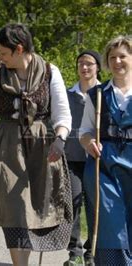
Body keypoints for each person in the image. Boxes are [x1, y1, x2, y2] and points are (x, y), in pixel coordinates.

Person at [0, 23, 73, 266]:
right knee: (14, 208)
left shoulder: (50, 72)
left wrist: (60, 140)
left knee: (38, 208)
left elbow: (62, 114)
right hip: (7, 148)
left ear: (19, 49)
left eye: (4, 53)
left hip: (42, 149)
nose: (0, 58)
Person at [79, 35, 132, 265]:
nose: (118, 61)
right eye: (112, 58)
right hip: (105, 167)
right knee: (111, 226)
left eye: (123, 56)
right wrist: (89, 142)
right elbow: (84, 132)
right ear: (107, 64)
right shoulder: (97, 94)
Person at [63, 50, 101, 266]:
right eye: (80, 64)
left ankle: (92, 252)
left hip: (98, 159)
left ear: (97, 67)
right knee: (73, 204)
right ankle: (75, 252)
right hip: (73, 159)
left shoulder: (104, 94)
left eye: (89, 64)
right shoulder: (68, 95)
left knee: (95, 205)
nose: (84, 68)